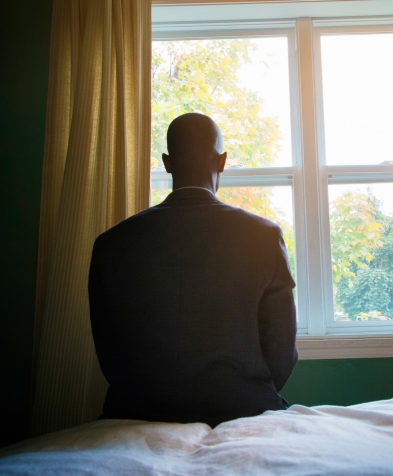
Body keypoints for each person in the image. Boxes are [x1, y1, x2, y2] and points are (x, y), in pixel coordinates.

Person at [88, 112, 298, 427]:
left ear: (167, 163)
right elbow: (281, 352)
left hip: (139, 412)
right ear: (222, 162)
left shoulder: (112, 244)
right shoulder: (263, 236)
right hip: (243, 408)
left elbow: (109, 353)